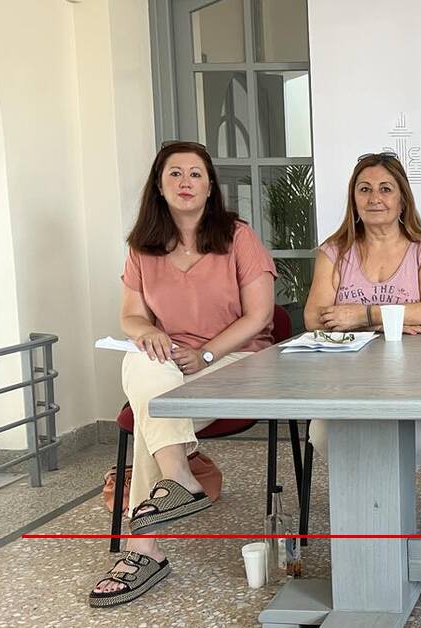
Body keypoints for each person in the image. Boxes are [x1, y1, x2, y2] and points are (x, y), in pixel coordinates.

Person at [89, 141, 277, 607]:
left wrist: (207, 354)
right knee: (141, 360)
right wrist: (149, 332)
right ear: (159, 185)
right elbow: (131, 316)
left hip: (237, 359)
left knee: (150, 417)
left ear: (210, 187)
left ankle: (143, 552)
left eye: (196, 174)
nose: (186, 182)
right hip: (171, 365)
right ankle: (178, 476)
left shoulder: (238, 237)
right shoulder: (142, 247)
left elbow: (259, 315)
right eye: (175, 173)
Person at [303, 152, 421, 466]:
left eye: (385, 189)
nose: (374, 198)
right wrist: (390, 321)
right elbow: (314, 317)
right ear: (353, 199)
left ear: (402, 199)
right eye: (364, 189)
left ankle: (381, 491)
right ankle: (371, 491)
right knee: (324, 435)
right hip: (348, 379)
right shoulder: (334, 250)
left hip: (418, 376)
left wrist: (360, 316)